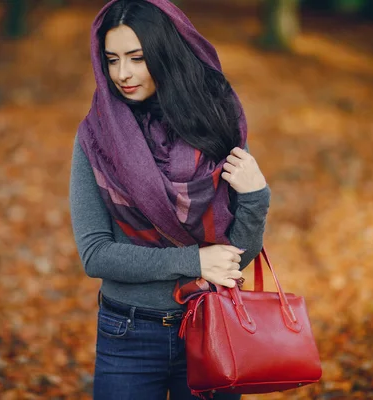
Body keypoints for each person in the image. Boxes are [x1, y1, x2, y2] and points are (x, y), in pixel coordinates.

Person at [69, 0, 270, 398]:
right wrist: (193, 260)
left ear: (164, 53)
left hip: (212, 325)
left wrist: (256, 196)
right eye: (111, 60)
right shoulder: (96, 138)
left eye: (137, 58)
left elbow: (236, 257)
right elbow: (95, 254)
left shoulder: (215, 125)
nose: (122, 74)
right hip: (128, 334)